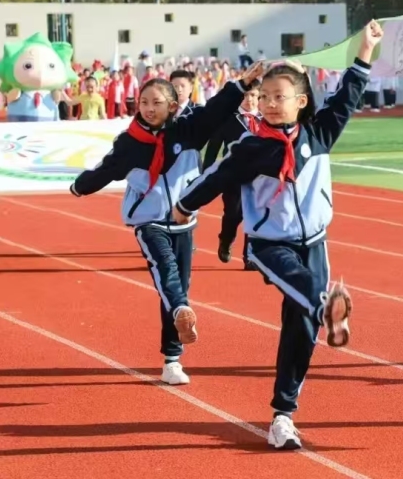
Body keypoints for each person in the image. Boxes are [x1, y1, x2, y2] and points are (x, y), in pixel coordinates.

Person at [172, 20, 384, 450]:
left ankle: (283, 416)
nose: (269, 103)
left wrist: (365, 51)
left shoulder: (319, 134)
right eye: (264, 96)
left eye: (279, 97)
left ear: (301, 102)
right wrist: (184, 206)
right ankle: (326, 306)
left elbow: (348, 95)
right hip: (270, 245)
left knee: (300, 326)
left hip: (315, 243)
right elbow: (215, 178)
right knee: (309, 295)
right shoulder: (252, 147)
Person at [69, 63, 265, 385]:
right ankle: (180, 315)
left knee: (176, 288)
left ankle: (172, 359)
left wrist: (241, 86)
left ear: (172, 106)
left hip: (183, 220)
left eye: (157, 103)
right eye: (144, 102)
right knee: (165, 271)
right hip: (148, 220)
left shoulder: (189, 131)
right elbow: (106, 169)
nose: (149, 108)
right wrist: (80, 186)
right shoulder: (130, 141)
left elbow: (216, 110)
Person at [203, 79, 262, 268]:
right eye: (245, 95)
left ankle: (250, 256)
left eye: (253, 95)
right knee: (233, 214)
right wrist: (206, 172)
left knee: (255, 215)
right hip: (233, 176)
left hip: (260, 177)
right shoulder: (229, 119)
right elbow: (213, 147)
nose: (249, 100)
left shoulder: (267, 119)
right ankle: (226, 239)